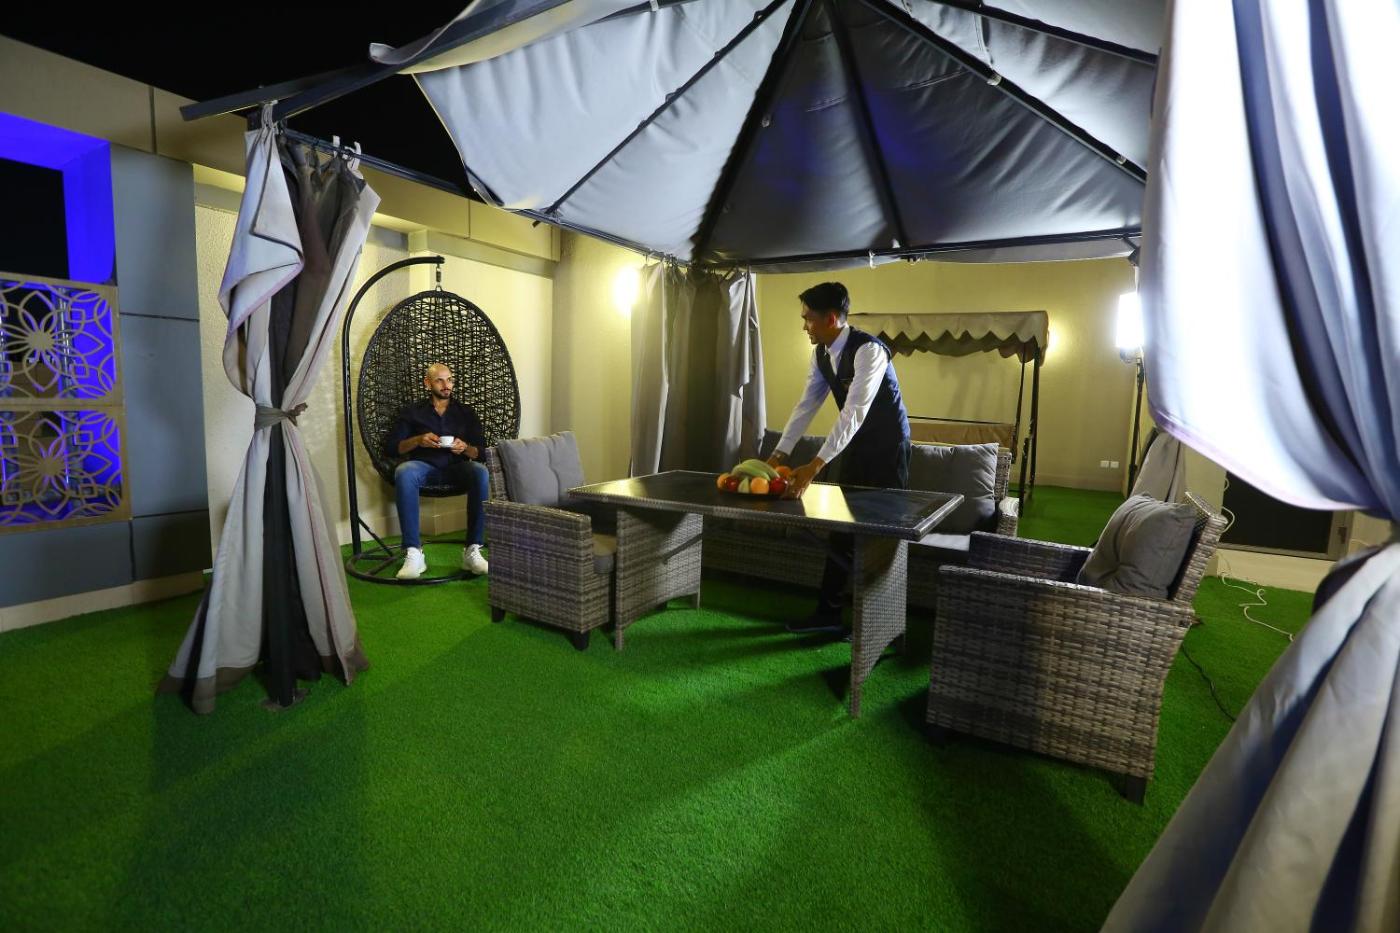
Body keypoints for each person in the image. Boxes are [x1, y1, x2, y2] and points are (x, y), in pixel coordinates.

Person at [767, 282, 911, 635]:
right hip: (854, 446)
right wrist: (779, 453)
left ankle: (880, 626)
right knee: (841, 530)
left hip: (889, 450)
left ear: (831, 319)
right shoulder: (821, 355)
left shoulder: (870, 351)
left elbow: (854, 412)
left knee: (882, 536)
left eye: (808, 319)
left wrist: (815, 466)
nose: (804, 326)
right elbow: (807, 405)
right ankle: (828, 615)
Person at [386, 363, 490, 580]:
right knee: (404, 471)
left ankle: (472, 550)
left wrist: (465, 448)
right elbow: (393, 448)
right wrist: (418, 440)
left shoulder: (465, 412)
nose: (446, 385)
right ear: (427, 383)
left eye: (449, 380)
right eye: (440, 380)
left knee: (480, 472)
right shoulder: (412, 412)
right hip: (423, 467)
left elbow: (482, 452)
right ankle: (414, 552)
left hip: (457, 468)